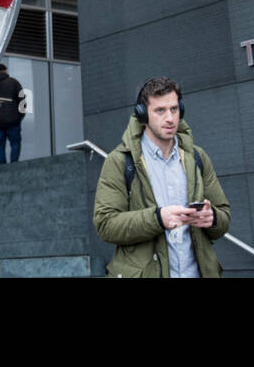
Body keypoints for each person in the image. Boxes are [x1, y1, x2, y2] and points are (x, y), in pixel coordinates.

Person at [92, 76, 231, 277]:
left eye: (174, 109)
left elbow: (224, 217)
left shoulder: (197, 157)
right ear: (142, 114)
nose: (170, 118)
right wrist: (157, 219)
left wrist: (213, 218)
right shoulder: (120, 162)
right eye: (160, 111)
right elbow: (106, 224)